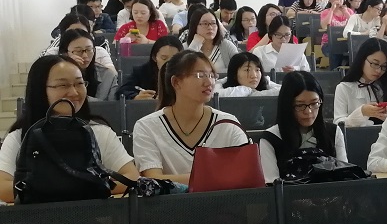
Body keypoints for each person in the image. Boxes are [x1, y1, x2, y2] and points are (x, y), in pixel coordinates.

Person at [0, 55, 139, 203]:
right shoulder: (20, 137)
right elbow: (2, 188)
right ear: (39, 89)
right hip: (37, 218)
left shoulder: (99, 132)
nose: (74, 92)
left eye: (79, 83)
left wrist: (48, 189)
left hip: (90, 216)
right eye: (63, 85)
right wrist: (82, 187)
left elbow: (132, 176)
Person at [132, 50, 249, 183]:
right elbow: (153, 180)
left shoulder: (228, 123)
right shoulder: (147, 127)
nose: (209, 82)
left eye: (212, 75)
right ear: (176, 82)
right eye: (200, 75)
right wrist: (215, 178)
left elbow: (244, 174)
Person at [258, 72, 348, 183]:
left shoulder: (333, 132)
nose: (308, 111)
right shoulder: (271, 138)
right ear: (287, 105)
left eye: (314, 103)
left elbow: (346, 177)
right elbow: (272, 183)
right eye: (300, 105)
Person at [334, 38, 387, 127]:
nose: (378, 70)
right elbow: (338, 124)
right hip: (356, 136)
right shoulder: (344, 88)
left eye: (384, 66)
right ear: (362, 59)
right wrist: (362, 112)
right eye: (375, 64)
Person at [115, 35, 184, 100]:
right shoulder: (142, 72)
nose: (168, 63)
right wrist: (135, 96)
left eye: (174, 59)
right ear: (154, 57)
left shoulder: (186, 73)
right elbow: (121, 92)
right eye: (164, 58)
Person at [59, 29, 116, 100]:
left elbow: (112, 105)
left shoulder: (107, 75)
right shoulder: (54, 76)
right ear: (65, 53)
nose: (85, 56)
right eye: (78, 51)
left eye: (89, 50)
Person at [185, 8, 238, 75]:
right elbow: (184, 71)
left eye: (213, 23)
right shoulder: (186, 47)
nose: (210, 27)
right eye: (205, 23)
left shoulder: (227, 46)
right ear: (195, 26)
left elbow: (239, 68)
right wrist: (195, 45)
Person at [215, 52, 280, 97]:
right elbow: (215, 94)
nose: (254, 75)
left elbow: (282, 90)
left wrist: (254, 94)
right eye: (247, 70)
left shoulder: (265, 82)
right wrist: (247, 90)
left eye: (257, 70)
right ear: (234, 73)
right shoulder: (221, 88)